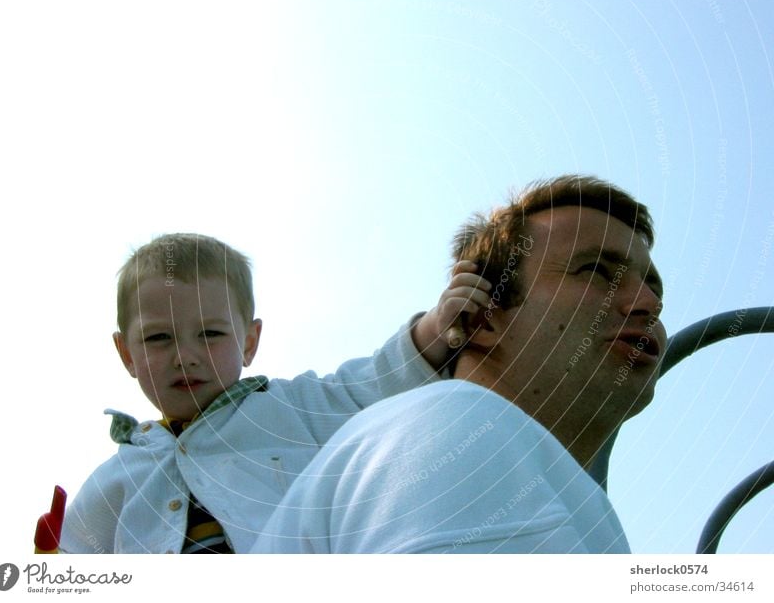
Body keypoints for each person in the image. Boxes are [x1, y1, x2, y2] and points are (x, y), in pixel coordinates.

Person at [251, 175, 666, 553]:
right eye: (595, 270)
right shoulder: (464, 422)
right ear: (482, 317)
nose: (649, 304)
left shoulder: (567, 499)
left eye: (652, 286)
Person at [59, 233, 491, 553]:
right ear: (125, 353)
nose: (184, 356)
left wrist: (438, 326)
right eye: (157, 339)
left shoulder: (292, 408)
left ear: (249, 342)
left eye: (210, 333)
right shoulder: (113, 481)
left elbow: (374, 382)